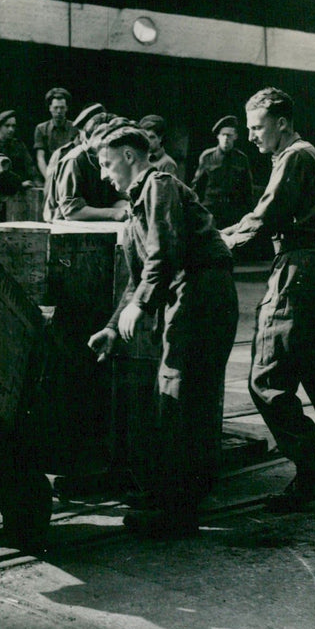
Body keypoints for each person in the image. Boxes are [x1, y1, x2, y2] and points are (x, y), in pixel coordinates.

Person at [221, 87, 315, 513]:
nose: (251, 136)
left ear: (281, 123)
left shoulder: (294, 157)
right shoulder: (303, 155)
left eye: (257, 127)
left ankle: (311, 477)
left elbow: (262, 218)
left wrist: (215, 242)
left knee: (266, 379)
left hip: (297, 272)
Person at [87, 122, 239, 538]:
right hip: (190, 294)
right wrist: (113, 329)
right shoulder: (138, 204)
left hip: (201, 293)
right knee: (180, 393)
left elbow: (164, 253)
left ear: (130, 157)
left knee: (178, 392)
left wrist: (142, 305)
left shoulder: (158, 186)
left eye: (107, 163)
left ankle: (176, 510)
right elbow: (138, 276)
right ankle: (178, 497)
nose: (104, 174)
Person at [48, 108, 127, 222]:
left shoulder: (111, 158)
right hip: (66, 230)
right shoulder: (74, 160)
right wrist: (113, 213)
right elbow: (71, 212)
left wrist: (125, 208)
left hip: (99, 226)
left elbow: (116, 198)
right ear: (90, 138)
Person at [42, 102, 106, 221]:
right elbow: (52, 199)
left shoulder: (102, 154)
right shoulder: (68, 156)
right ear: (84, 131)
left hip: (95, 222)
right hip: (63, 224)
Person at [191, 115, 254, 230]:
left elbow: (247, 190)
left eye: (229, 135)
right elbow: (197, 187)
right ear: (218, 136)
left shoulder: (241, 159)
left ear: (235, 137)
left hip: (233, 214)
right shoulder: (207, 157)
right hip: (210, 212)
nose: (226, 138)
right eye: (223, 135)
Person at [33, 87, 78, 181]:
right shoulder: (41, 129)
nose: (58, 111)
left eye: (62, 108)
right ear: (50, 108)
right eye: (55, 107)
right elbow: (40, 157)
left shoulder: (75, 128)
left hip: (70, 174)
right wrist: (49, 178)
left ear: (67, 108)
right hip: (49, 173)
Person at [0, 111, 37, 188]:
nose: (11, 129)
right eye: (7, 126)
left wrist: (38, 183)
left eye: (13, 126)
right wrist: (19, 185)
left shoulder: (19, 145)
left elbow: (30, 166)